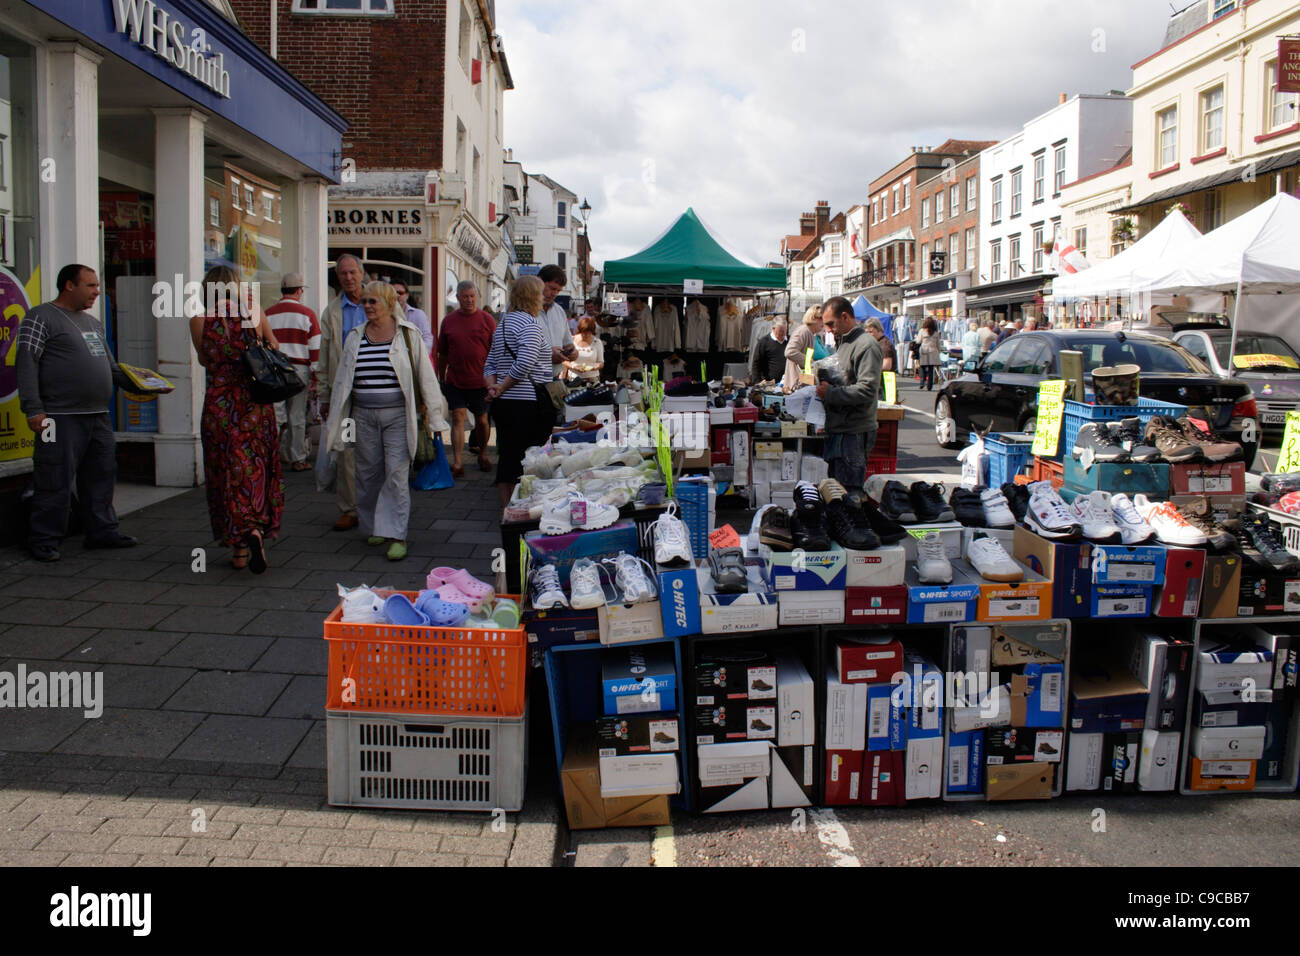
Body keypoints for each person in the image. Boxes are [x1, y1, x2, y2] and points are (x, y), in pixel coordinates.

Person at [15, 263, 139, 561]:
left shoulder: (93, 324)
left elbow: (110, 368)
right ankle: (44, 538)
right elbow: (27, 362)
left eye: (97, 285)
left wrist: (143, 384)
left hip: (98, 416)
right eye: (91, 285)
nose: (97, 291)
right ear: (69, 285)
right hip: (58, 417)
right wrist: (34, 410)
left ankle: (102, 531)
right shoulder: (40, 317)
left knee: (101, 476)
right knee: (54, 478)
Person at [321, 281, 447, 562]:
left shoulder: (408, 334)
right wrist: (332, 410)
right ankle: (375, 526)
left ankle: (397, 535)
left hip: (398, 415)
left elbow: (426, 377)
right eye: (364, 301)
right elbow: (343, 378)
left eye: (372, 301)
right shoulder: (356, 335)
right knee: (367, 475)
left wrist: (436, 418)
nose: (366, 306)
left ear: (389, 303)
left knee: (396, 475)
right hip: (362, 415)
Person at [189, 266, 284, 572]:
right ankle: (254, 528)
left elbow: (204, 359)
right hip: (254, 405)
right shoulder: (253, 313)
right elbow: (274, 347)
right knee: (254, 469)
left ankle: (239, 550)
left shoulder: (199, 319)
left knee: (225, 472)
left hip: (219, 406)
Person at [484, 275, 554, 510]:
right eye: (541, 292)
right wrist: (501, 387)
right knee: (530, 458)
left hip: (504, 403)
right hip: (528, 403)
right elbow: (525, 362)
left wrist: (494, 388)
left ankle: (507, 509)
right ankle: (524, 508)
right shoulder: (530, 324)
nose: (544, 297)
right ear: (533, 296)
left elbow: (490, 363)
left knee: (508, 456)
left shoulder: (504, 324)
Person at [316, 254, 367, 531]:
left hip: (376, 391)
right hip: (345, 393)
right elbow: (324, 357)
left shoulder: (378, 302)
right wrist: (324, 396)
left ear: (361, 273)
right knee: (347, 449)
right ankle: (349, 507)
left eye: (352, 272)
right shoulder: (332, 312)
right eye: (343, 274)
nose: (348, 278)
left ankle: (375, 506)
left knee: (374, 450)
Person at [816, 296, 881, 493]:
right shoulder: (844, 342)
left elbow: (867, 389)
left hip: (854, 432)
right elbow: (846, 378)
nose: (828, 330)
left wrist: (830, 393)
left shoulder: (866, 345)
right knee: (836, 491)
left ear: (845, 316)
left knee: (848, 493)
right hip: (840, 429)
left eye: (831, 324)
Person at [437, 279, 497, 476]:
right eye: (465, 297)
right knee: (457, 417)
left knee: (482, 420)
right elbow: (443, 353)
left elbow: (496, 351)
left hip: (481, 381)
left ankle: (482, 454)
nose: (469, 300)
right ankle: (457, 462)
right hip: (456, 379)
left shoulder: (487, 320)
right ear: (458, 298)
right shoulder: (449, 321)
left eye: (472, 296)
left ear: (476, 297)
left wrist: (495, 379)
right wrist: (441, 376)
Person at [265, 272, 321, 472]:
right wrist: (315, 374)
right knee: (297, 415)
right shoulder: (308, 314)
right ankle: (298, 458)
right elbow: (315, 347)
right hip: (299, 369)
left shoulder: (268, 313)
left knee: (276, 414)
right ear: (299, 291)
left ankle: (271, 456)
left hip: (275, 367)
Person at [537, 264, 575, 378]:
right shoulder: (521, 309)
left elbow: (567, 343)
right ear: (539, 281)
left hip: (555, 377)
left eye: (558, 290)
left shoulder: (559, 311)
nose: (555, 294)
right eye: (552, 288)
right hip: (529, 380)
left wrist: (572, 352)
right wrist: (548, 355)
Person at [783, 306, 823, 391]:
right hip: (796, 385)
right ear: (813, 318)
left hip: (803, 382)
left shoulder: (810, 333)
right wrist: (810, 362)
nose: (823, 322)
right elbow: (789, 352)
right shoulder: (803, 331)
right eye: (821, 318)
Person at [392, 279, 433, 357]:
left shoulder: (418, 314)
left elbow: (427, 338)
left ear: (407, 295)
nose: (397, 295)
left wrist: (419, 357)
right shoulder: (383, 316)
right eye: (393, 293)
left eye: (400, 293)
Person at [564, 316, 605, 384]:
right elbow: (564, 360)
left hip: (592, 379)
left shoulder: (597, 342)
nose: (587, 335)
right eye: (584, 332)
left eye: (589, 332)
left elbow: (601, 362)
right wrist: (573, 366)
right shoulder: (571, 340)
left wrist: (595, 367)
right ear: (580, 330)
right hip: (573, 379)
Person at [917, 316, 941, 391]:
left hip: (924, 350)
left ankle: (922, 382)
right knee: (931, 369)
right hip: (933, 351)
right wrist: (939, 351)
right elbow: (938, 344)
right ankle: (929, 385)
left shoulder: (922, 331)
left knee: (922, 367)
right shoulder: (936, 333)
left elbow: (918, 341)